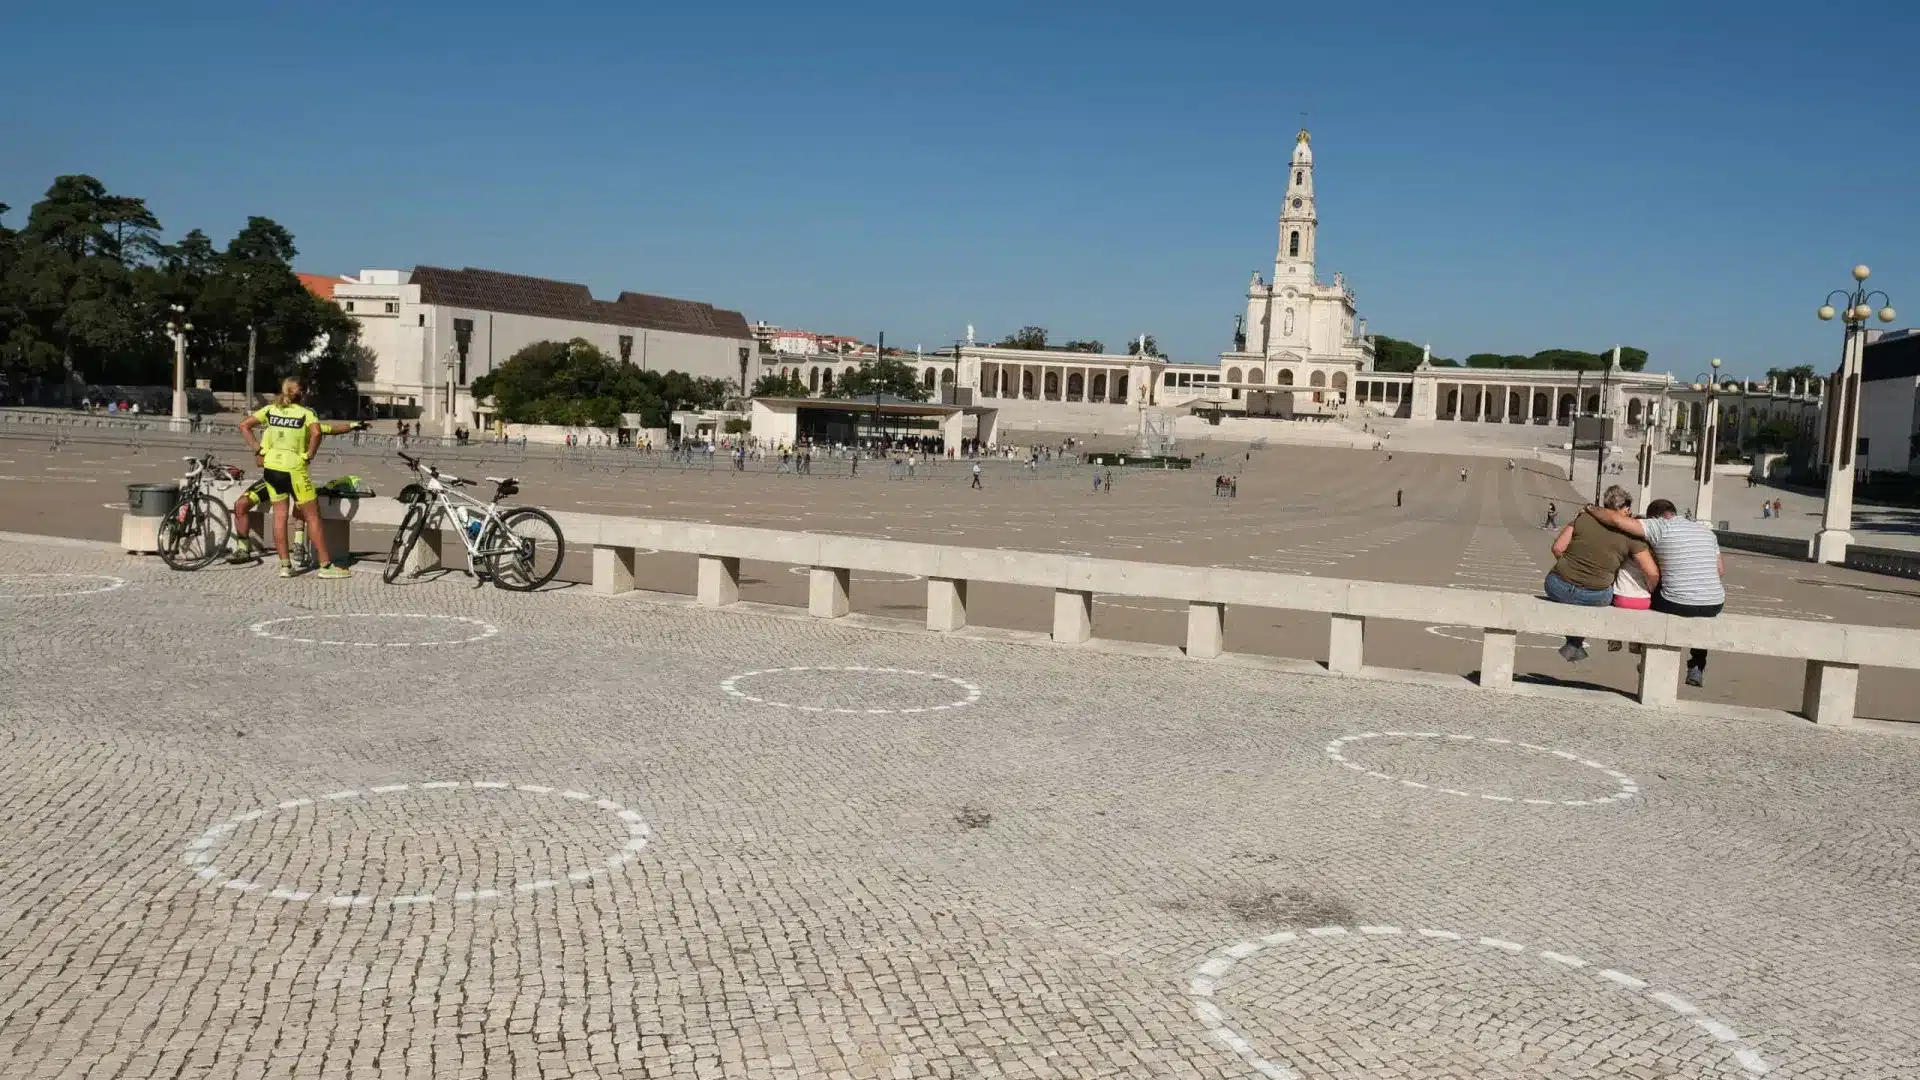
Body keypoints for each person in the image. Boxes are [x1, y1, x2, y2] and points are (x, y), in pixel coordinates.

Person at [1584, 497, 1725, 687]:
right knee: (1700, 604)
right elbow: (1720, 571)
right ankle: (1697, 666)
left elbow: (1617, 520)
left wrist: (1590, 508)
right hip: (1714, 603)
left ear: (1655, 517)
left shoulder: (1659, 526)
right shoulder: (1706, 532)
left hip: (1676, 602)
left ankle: (1646, 659)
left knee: (1648, 592)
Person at [235, 377, 363, 577]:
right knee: (313, 516)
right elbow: (317, 433)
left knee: (279, 516)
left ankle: (285, 566)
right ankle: (325, 566)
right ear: (302, 393)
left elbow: (244, 425)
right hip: (294, 468)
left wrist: (258, 449)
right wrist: (309, 454)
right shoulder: (306, 413)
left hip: (272, 468)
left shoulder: (270, 410)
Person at [1544, 485, 1651, 663]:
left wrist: (1571, 568)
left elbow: (1557, 548)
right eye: (1628, 510)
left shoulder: (1583, 518)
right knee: (1605, 594)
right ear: (1621, 508)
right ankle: (1573, 644)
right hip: (1595, 594)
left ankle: (1574, 645)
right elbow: (1650, 570)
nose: (1630, 513)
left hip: (1557, 585)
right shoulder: (1631, 534)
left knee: (1575, 597)